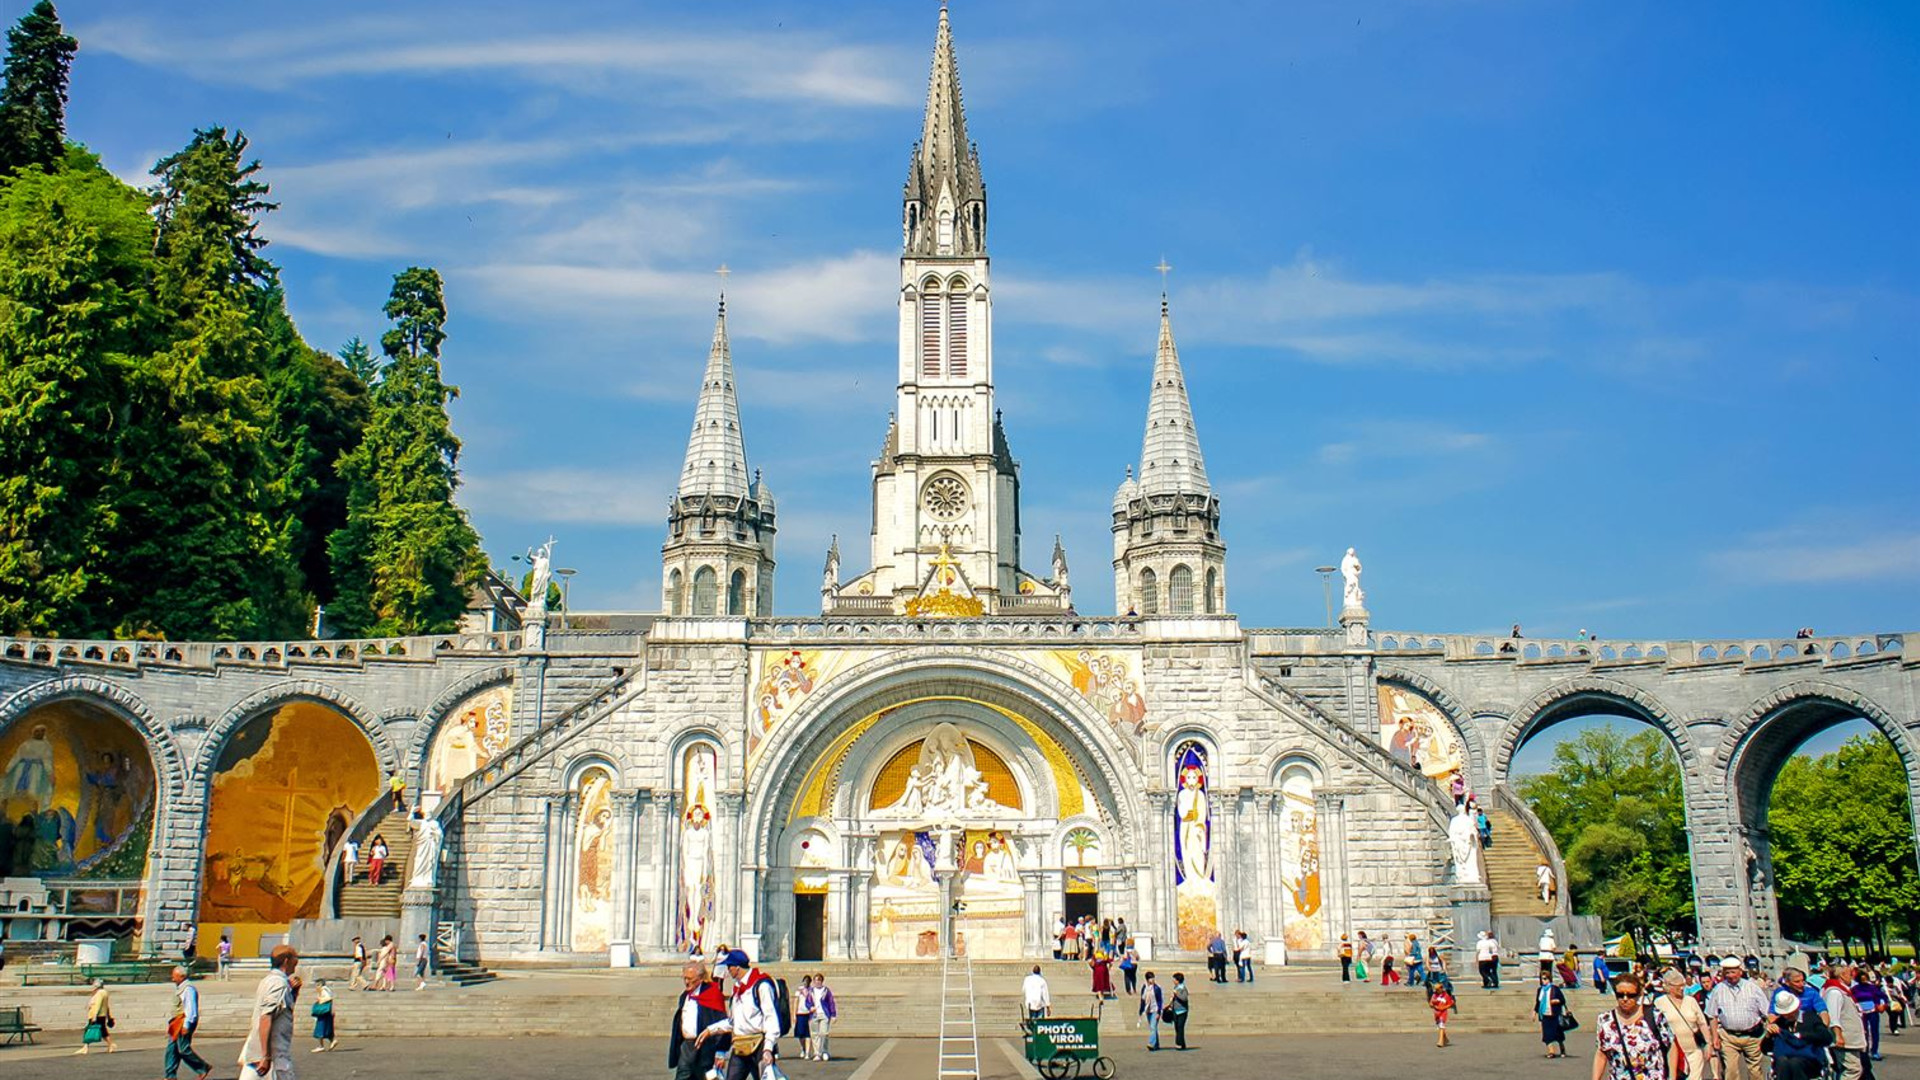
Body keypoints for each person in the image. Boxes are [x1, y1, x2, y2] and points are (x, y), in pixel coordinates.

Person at [1594, 973, 1679, 1080]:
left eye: (1630, 995)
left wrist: (1672, 1077)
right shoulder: (1605, 1020)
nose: (1625, 999)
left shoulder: (1654, 1016)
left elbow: (1671, 1046)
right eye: (1620, 995)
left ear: (1638, 995)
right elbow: (1601, 1053)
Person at [717, 949, 782, 1079]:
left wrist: (768, 1048)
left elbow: (771, 1018)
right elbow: (734, 1021)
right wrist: (710, 1030)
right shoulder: (738, 988)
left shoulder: (761, 985)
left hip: (759, 1044)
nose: (728, 970)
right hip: (740, 1044)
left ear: (737, 967)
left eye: (729, 966)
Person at [240, 945, 299, 1080]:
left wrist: (294, 993)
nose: (297, 962)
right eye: (296, 958)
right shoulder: (278, 984)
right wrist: (265, 1056)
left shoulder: (269, 981)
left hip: (265, 1054)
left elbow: (281, 1012)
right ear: (286, 961)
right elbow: (266, 1018)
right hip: (274, 1056)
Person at [1708, 954, 1771, 1080]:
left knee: (1755, 1071)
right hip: (1728, 1037)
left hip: (1753, 1036)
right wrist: (1714, 1037)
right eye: (1727, 972)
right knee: (1730, 1071)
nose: (1730, 975)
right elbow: (1712, 1015)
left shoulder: (1753, 988)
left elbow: (1767, 1012)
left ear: (1740, 971)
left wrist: (1769, 1030)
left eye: (1733, 972)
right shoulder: (1718, 989)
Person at [667, 960, 731, 1080]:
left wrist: (721, 1051)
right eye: (684, 978)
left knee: (707, 1077)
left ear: (701, 978)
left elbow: (723, 1024)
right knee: (682, 1075)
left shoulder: (712, 994)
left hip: (706, 1047)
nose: (686, 982)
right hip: (687, 1047)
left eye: (690, 978)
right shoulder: (685, 996)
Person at [1651, 970, 1710, 1079]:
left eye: (1683, 985)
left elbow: (1702, 1023)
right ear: (1668, 986)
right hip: (1672, 1055)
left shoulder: (1691, 1001)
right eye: (1677, 986)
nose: (1681, 989)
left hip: (1694, 1051)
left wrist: (1708, 1044)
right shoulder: (1659, 1002)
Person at [1766, 989, 1833, 1080]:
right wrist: (1768, 1035)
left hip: (1809, 1059)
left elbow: (1827, 1038)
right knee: (1782, 1061)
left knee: (1795, 1063)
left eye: (1790, 1012)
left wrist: (1803, 1036)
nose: (1788, 1016)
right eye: (1785, 1014)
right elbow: (1766, 1049)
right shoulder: (1780, 1023)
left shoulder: (1811, 1018)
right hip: (1785, 1060)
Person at [165, 965, 212, 1078]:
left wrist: (187, 1025)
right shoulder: (181, 988)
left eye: (174, 976)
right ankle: (170, 1075)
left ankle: (202, 1067)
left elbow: (191, 1009)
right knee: (172, 1049)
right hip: (176, 1022)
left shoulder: (188, 989)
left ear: (181, 976)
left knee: (183, 1049)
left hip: (183, 1021)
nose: (172, 979)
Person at [1822, 961, 1867, 1080]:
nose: (1852, 977)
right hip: (1844, 1039)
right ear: (1842, 975)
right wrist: (1838, 1035)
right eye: (1849, 974)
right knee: (1852, 1070)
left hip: (1851, 1038)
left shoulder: (1843, 991)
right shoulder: (1834, 992)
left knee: (1856, 1069)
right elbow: (1833, 1016)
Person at [77, 978, 114, 1054]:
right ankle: (110, 1045)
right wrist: (108, 1015)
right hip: (102, 1015)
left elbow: (98, 1004)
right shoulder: (105, 993)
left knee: (88, 1030)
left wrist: (94, 1016)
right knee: (103, 1031)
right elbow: (106, 1006)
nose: (93, 986)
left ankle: (85, 1048)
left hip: (97, 1015)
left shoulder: (99, 993)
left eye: (94, 984)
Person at [1537, 972, 1570, 1058]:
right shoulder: (1540, 990)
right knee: (1547, 1034)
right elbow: (1538, 1003)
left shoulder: (1555, 989)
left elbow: (1563, 1000)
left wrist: (1556, 1001)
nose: (1543, 981)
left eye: (1545, 979)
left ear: (1549, 979)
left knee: (1558, 1033)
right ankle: (1551, 1051)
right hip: (1545, 1014)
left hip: (1555, 1014)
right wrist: (1534, 1012)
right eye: (1542, 979)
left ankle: (1562, 1048)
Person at [806, 972, 836, 1062]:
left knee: (824, 1033)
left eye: (819, 980)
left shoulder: (826, 991)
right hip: (814, 1015)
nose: (817, 982)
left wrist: (833, 1014)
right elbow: (807, 1002)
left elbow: (831, 1002)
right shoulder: (811, 991)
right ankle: (817, 1053)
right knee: (814, 1034)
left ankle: (824, 1051)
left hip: (824, 1014)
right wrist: (810, 1007)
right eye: (815, 980)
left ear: (822, 981)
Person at [1139, 971, 1164, 1050]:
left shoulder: (1157, 988)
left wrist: (1159, 1012)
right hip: (1148, 1009)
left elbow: (1160, 1000)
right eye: (1150, 978)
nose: (1152, 980)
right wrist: (1141, 1010)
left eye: (1153, 978)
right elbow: (1142, 999)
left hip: (1155, 1009)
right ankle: (1156, 1044)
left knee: (1153, 1027)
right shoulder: (1144, 988)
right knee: (1153, 1027)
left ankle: (1151, 1043)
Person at [309, 979, 336, 1052]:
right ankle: (332, 1041)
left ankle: (321, 1046)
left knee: (320, 1028)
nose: (316, 987)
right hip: (327, 1012)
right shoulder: (326, 990)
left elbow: (328, 998)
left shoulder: (324, 990)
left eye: (317, 985)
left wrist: (320, 999)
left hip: (323, 1012)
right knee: (327, 1028)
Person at [1429, 979, 1456, 1048]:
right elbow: (1431, 1003)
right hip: (1436, 1013)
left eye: (1438, 989)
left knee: (1441, 1025)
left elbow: (1451, 1003)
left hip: (1443, 1013)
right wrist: (1433, 1005)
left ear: (1441, 988)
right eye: (1436, 989)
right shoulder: (1434, 995)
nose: (1437, 991)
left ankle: (1440, 1041)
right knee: (1439, 1026)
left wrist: (1444, 1007)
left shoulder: (1446, 995)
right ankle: (1445, 1039)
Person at [792, 975, 813, 1061]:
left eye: (807, 981)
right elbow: (796, 1002)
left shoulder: (812, 990)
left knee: (808, 1034)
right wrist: (794, 1014)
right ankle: (803, 1048)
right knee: (800, 1034)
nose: (806, 982)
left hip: (809, 1013)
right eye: (804, 981)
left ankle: (807, 1053)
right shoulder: (799, 990)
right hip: (800, 1013)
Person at [1169, 972, 1191, 1050]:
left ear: (1178, 980)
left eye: (1174, 979)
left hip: (1182, 1011)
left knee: (1180, 1027)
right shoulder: (1176, 987)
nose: (1173, 981)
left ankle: (1178, 1043)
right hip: (1176, 1010)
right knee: (1177, 1028)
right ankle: (1182, 1044)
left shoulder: (1183, 988)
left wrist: (1176, 994)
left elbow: (1184, 998)